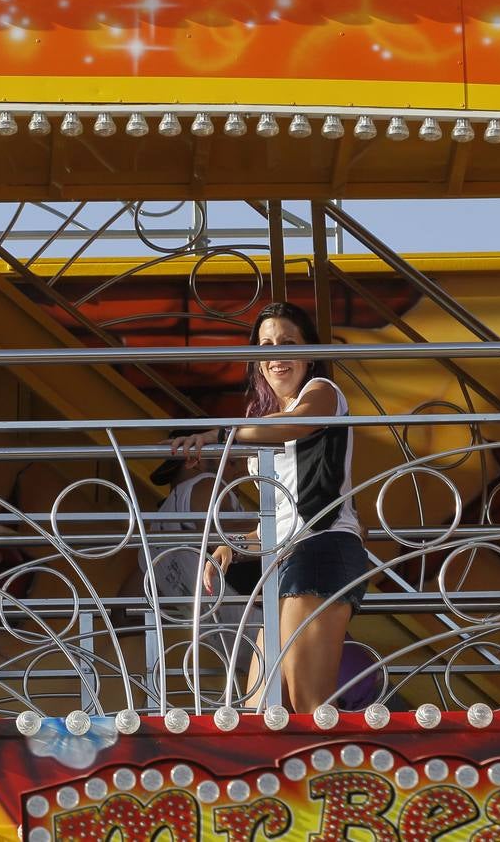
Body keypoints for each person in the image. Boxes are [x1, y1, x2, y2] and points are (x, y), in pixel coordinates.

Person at [170, 301, 368, 713]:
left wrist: (224, 433)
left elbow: (299, 425)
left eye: (287, 342)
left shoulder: (321, 392)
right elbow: (280, 514)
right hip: (285, 560)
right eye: (266, 345)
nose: (276, 354)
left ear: (310, 354)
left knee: (304, 702)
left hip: (322, 551)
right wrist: (233, 546)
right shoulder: (266, 417)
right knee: (262, 704)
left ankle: (332, 776)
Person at [141, 430, 260, 676]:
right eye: (231, 460)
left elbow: (126, 604)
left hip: (232, 648)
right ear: (192, 458)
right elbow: (228, 537)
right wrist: (290, 520)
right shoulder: (206, 484)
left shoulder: (152, 532)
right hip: (267, 627)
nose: (240, 469)